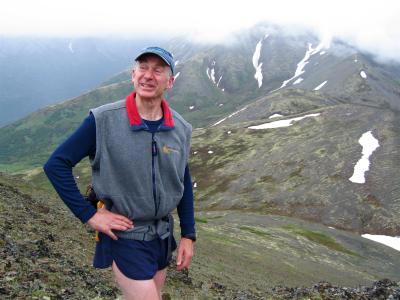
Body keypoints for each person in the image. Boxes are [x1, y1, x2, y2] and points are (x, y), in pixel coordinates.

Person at [44, 46, 196, 299]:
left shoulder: (180, 128)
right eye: (143, 68)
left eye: (158, 70)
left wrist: (188, 235)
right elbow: (56, 164)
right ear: (132, 74)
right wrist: (89, 215)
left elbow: (182, 180)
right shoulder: (103, 120)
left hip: (162, 236)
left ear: (170, 82)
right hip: (126, 235)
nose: (148, 75)